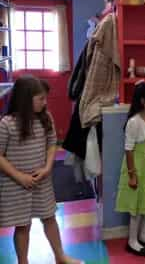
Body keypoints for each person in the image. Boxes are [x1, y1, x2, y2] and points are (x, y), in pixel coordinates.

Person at [0, 75, 83, 264]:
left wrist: (47, 167)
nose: (45, 103)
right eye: (41, 99)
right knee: (23, 226)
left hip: (41, 181)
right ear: (25, 99)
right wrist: (19, 176)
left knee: (49, 218)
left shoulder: (45, 118)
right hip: (16, 185)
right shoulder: (6, 124)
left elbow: (52, 143)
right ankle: (23, 261)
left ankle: (60, 256)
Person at [115, 82, 145, 256]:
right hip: (137, 166)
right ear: (143, 101)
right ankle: (132, 240)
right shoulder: (134, 122)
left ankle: (142, 234)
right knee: (136, 205)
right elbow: (128, 150)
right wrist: (132, 175)